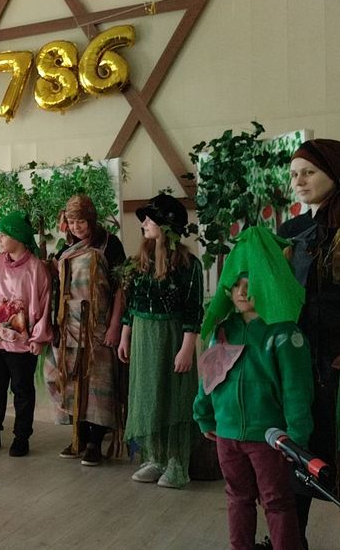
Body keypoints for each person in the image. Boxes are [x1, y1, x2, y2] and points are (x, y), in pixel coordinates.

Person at [194, 226, 312, 550]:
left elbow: (297, 390)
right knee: (237, 497)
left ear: (267, 281)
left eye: (250, 284)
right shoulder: (222, 330)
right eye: (236, 285)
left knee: (277, 501)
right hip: (227, 433)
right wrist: (204, 414)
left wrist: (297, 438)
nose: (242, 292)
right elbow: (210, 376)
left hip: (269, 438)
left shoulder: (284, 334)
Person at [277, 138, 340, 546]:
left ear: (335, 173)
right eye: (294, 175)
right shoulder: (291, 232)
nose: (299, 181)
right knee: (296, 453)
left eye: (308, 172)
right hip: (300, 361)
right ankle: (292, 541)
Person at [118, 194, 203, 489]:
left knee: (172, 395)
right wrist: (125, 335)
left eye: (150, 220)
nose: (144, 224)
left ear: (166, 226)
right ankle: (154, 457)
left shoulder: (188, 264)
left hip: (172, 335)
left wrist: (187, 348)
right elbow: (131, 303)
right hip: (143, 336)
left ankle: (177, 462)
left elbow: (193, 309)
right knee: (147, 393)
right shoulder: (138, 262)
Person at [45, 194, 126, 465]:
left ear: (91, 219)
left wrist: (114, 326)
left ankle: (95, 443)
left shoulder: (109, 244)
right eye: (71, 222)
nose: (76, 227)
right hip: (69, 325)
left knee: (97, 384)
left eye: (81, 221)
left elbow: (121, 288)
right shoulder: (65, 248)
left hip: (97, 325)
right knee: (69, 381)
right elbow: (59, 289)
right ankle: (78, 437)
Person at [0, 210, 52, 457]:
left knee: (22, 390)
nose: (0, 238)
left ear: (18, 236)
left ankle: (21, 437)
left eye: (4, 234)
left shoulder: (36, 269)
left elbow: (45, 304)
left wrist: (38, 337)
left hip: (21, 342)